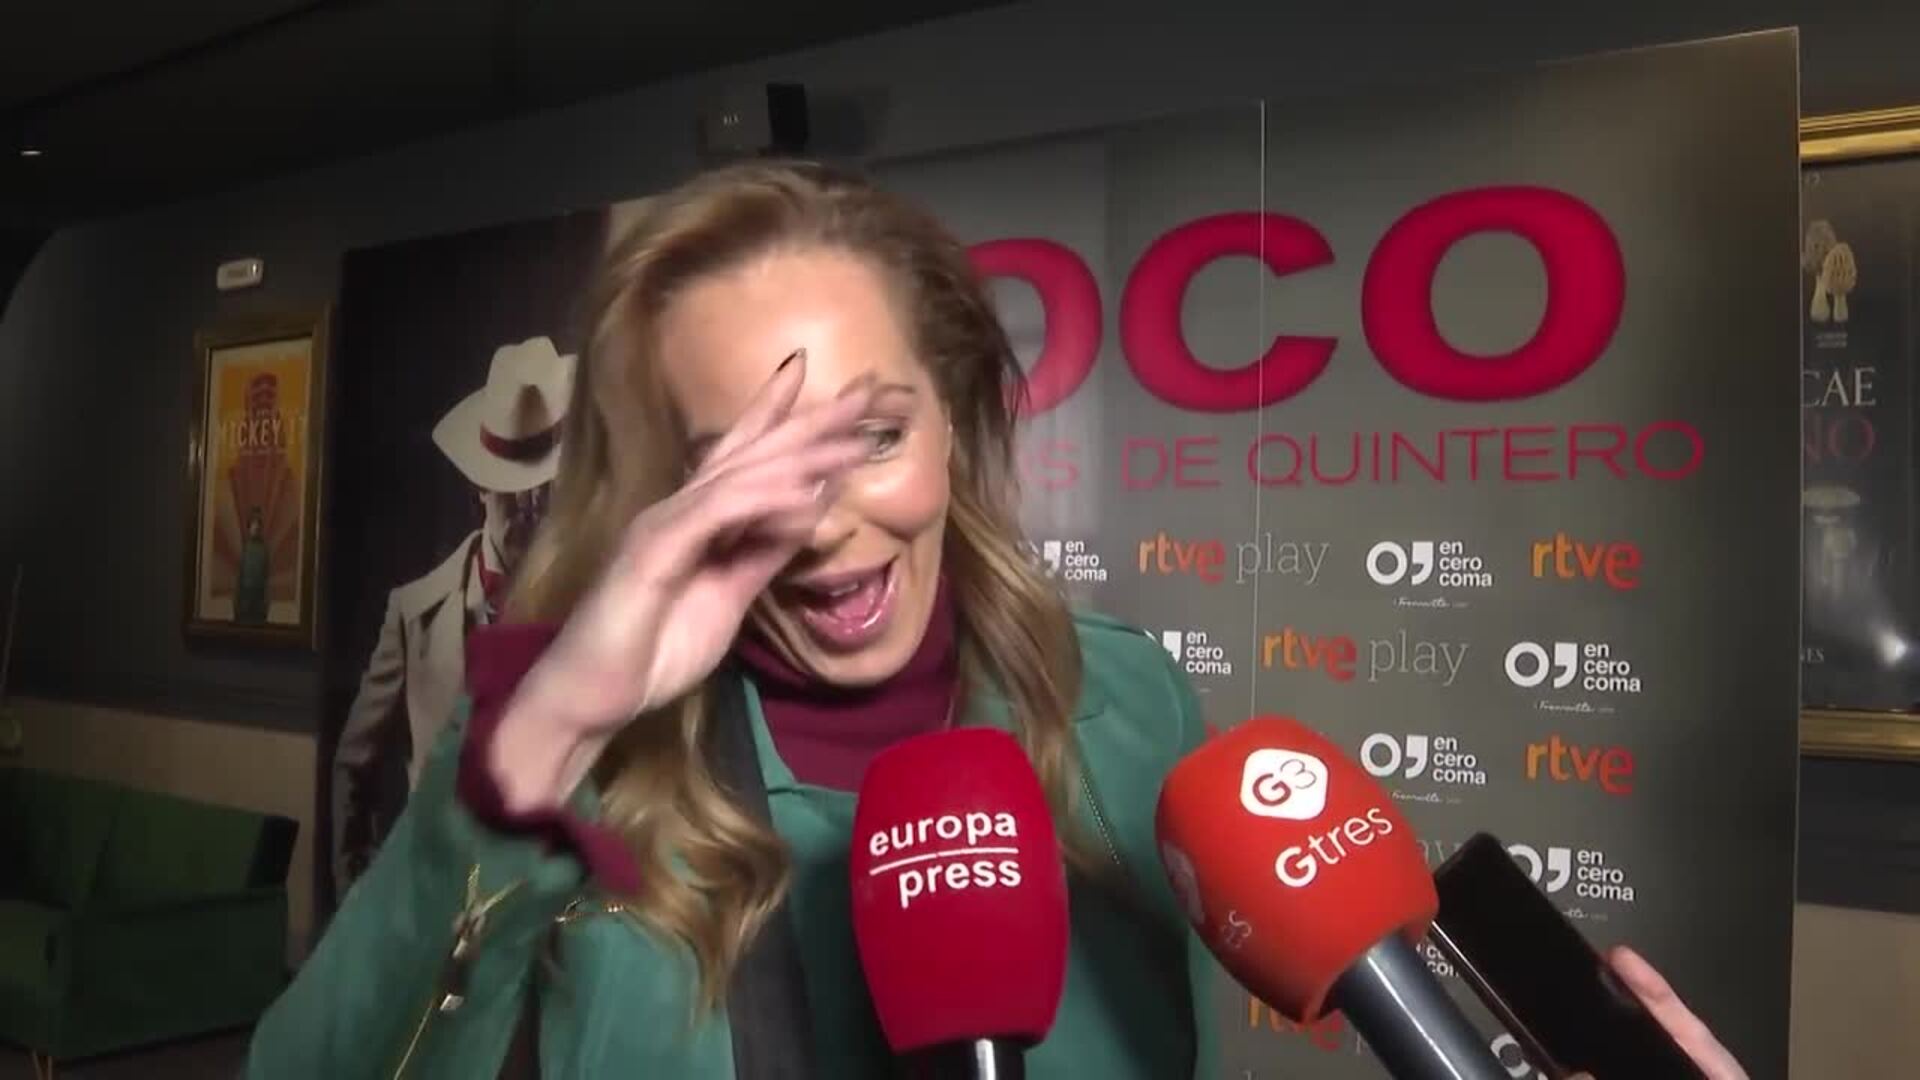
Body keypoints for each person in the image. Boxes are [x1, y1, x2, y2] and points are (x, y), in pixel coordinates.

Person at [249, 161, 1746, 1079]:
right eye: (742, 469)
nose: (821, 522)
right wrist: (548, 739)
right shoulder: (573, 776)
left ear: (959, 420)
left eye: (870, 435)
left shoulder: (1130, 709)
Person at [329, 336, 573, 900]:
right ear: (480, 486)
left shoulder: (583, 608)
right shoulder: (415, 614)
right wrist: (358, 900)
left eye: (540, 491)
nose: (529, 510)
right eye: (513, 493)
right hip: (436, 898)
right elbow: (353, 765)